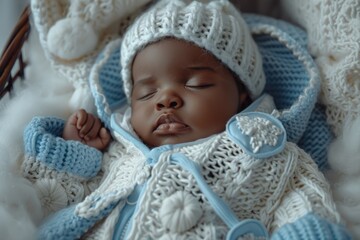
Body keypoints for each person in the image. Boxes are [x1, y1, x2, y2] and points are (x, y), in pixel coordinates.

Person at [21, 0, 351, 239]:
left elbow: (302, 206)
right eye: (147, 93)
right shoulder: (117, 151)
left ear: (242, 95)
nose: (166, 99)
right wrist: (72, 152)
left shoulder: (265, 155)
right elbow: (49, 200)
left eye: (196, 83)